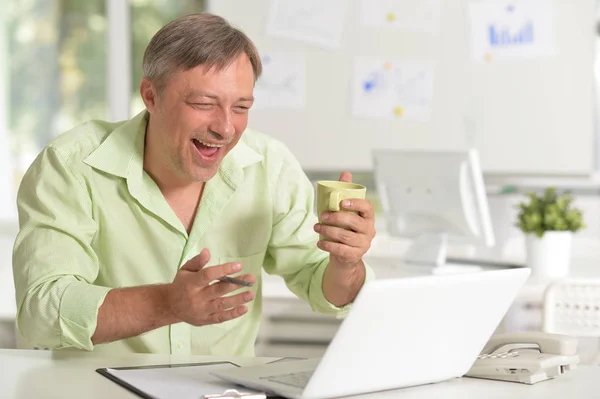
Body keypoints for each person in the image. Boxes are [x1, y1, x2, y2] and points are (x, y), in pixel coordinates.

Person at [12, 13, 376, 356]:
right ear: (151, 95)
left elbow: (320, 284)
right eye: (204, 103)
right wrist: (166, 304)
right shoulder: (71, 166)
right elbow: (42, 310)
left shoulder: (270, 166)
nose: (226, 128)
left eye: (241, 107)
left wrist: (346, 264)